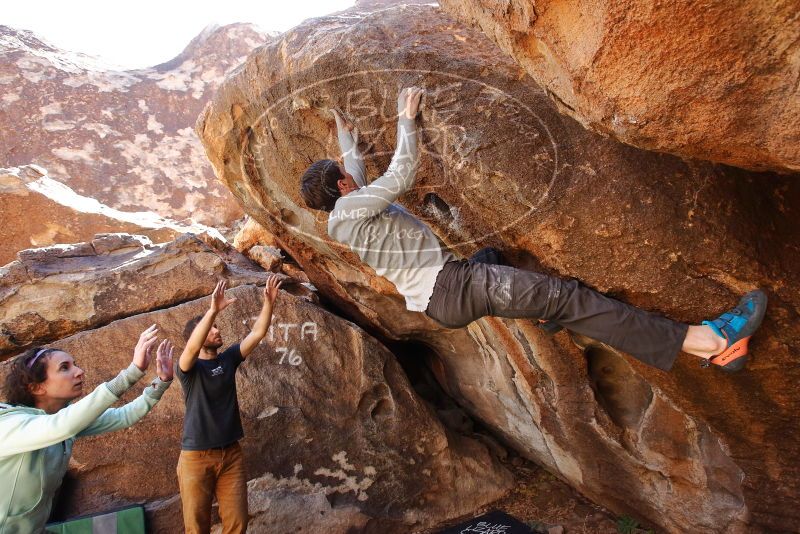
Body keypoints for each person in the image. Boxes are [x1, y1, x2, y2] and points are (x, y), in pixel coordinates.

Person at [299, 86, 767, 373]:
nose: (352, 178)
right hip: (458, 287)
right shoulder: (354, 205)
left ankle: (542, 311)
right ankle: (710, 344)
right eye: (345, 177)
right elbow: (398, 176)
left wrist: (345, 138)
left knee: (494, 258)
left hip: (444, 298)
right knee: (570, 298)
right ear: (342, 188)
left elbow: (353, 175)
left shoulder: (343, 217)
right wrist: (406, 121)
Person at [0, 325, 174, 533]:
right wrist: (131, 373)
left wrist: (161, 381)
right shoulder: (10, 425)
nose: (79, 371)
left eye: (75, 364)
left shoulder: (58, 419)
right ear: (36, 387)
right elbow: (61, 426)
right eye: (64, 367)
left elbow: (124, 415)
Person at [176, 275, 282, 534]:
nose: (216, 330)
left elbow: (257, 333)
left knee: (237, 523)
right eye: (210, 328)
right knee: (196, 527)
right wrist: (212, 310)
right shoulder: (189, 369)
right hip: (196, 457)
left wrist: (269, 303)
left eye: (215, 326)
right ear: (198, 336)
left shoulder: (228, 360)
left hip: (231, 455)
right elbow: (190, 349)